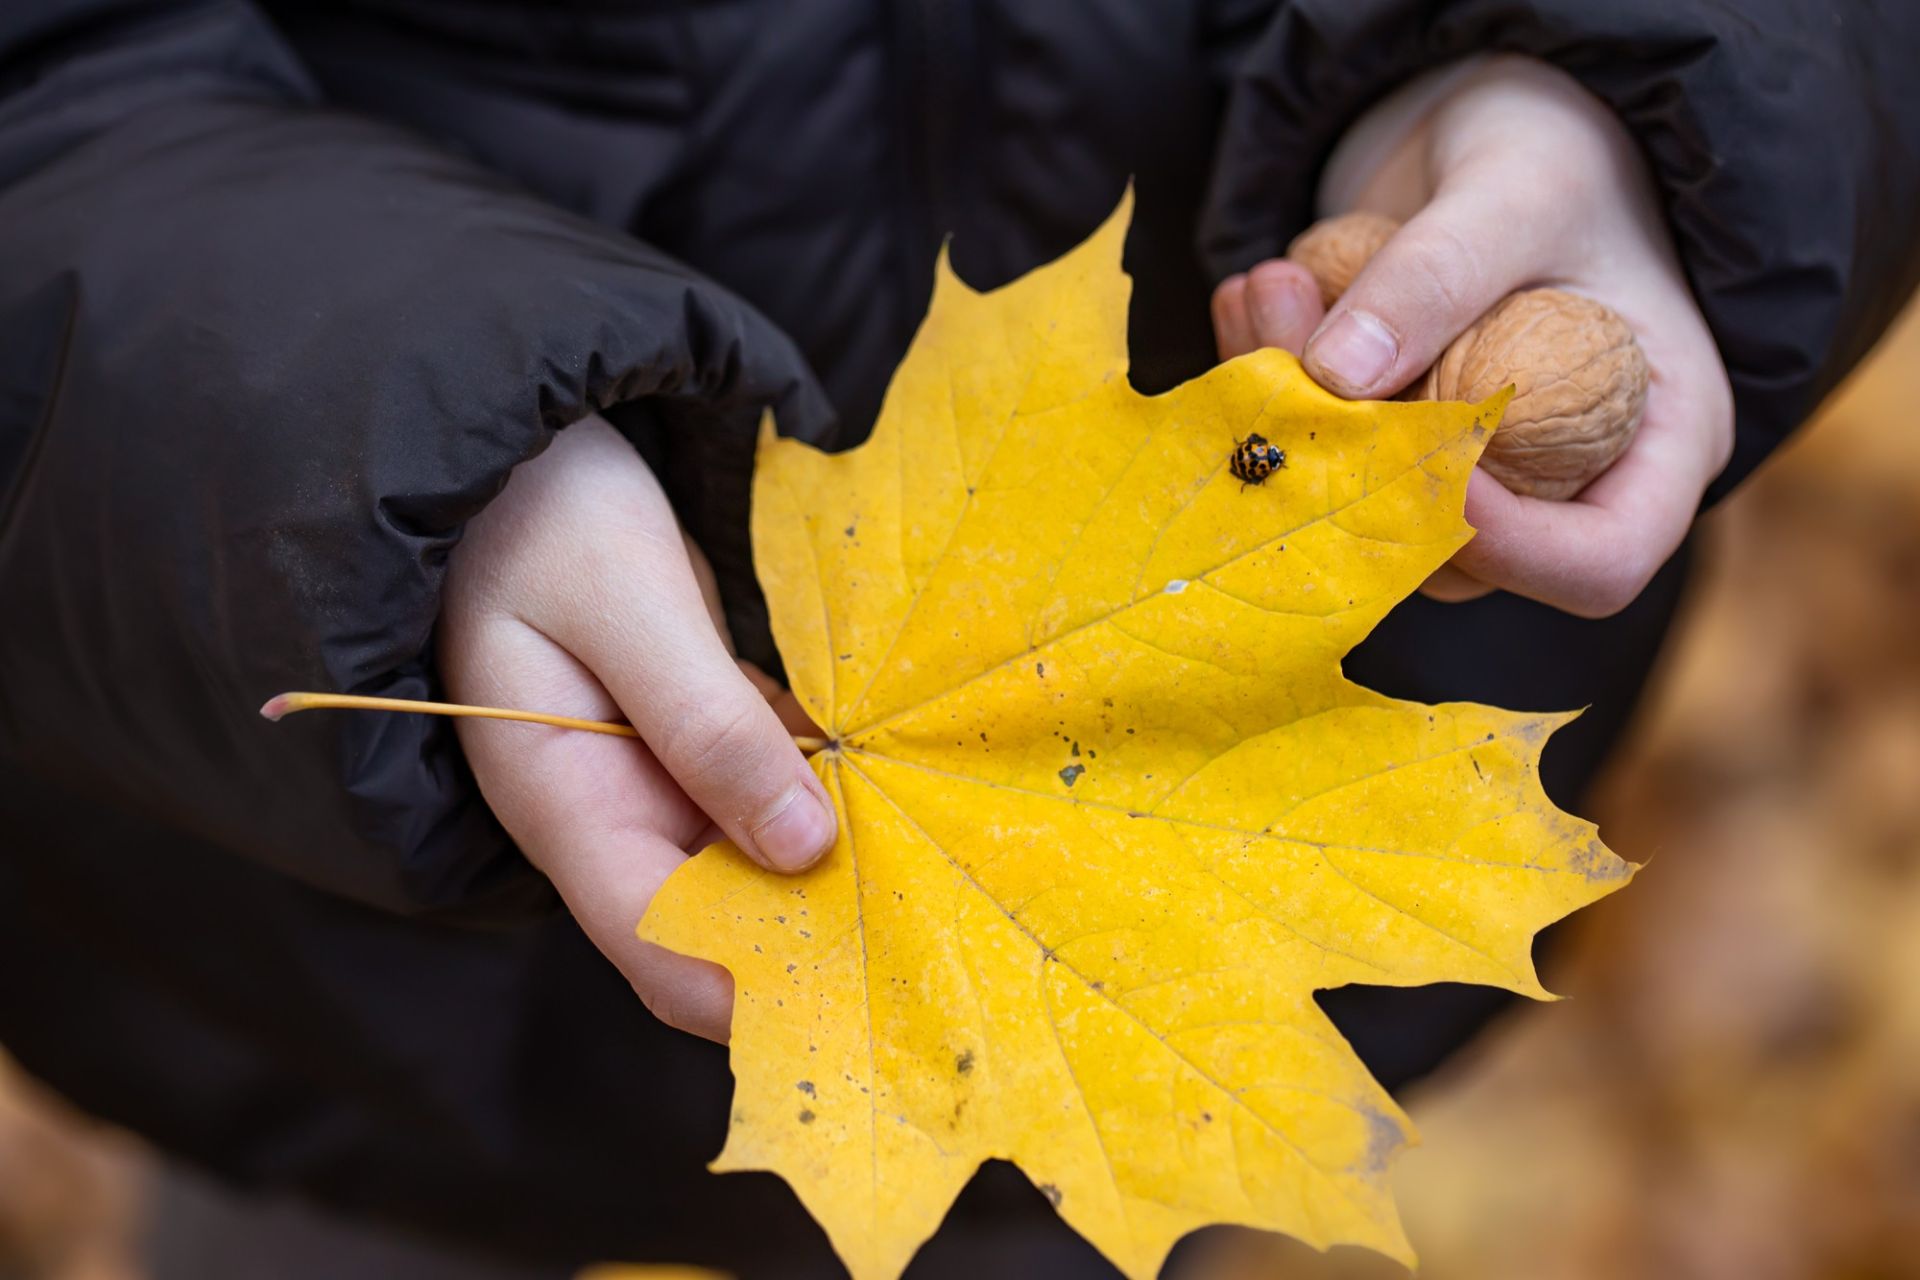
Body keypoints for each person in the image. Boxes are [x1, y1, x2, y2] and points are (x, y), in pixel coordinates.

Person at [0, 2, 1914, 1276]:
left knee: (1103, 1206)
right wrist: (382, 476)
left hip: (1189, 846)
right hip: (316, 958)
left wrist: (1578, 75)